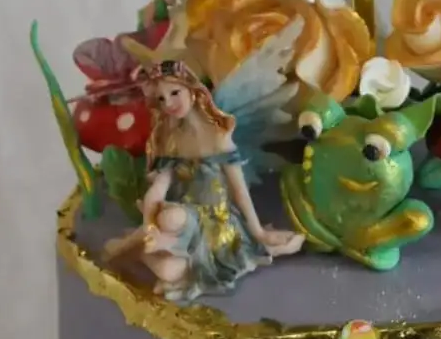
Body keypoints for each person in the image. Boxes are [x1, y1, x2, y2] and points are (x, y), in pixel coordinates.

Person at [103, 60, 302, 300]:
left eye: (175, 93)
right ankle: (148, 242)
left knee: (168, 270)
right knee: (169, 217)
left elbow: (239, 191)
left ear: (192, 90)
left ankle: (140, 249)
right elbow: (158, 189)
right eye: (161, 99)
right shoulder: (171, 141)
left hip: (218, 226)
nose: (169, 103)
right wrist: (148, 225)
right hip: (186, 217)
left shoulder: (219, 136)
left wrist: (258, 232)